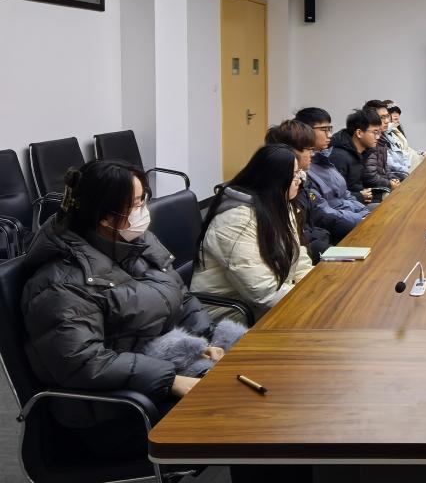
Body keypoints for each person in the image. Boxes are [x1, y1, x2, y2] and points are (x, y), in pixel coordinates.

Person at [20, 160, 242, 449]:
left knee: (257, 376)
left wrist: (206, 339)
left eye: (143, 199)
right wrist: (171, 380)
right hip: (116, 410)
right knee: (244, 411)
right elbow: (84, 362)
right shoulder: (59, 283)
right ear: (105, 217)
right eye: (136, 204)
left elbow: (180, 296)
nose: (144, 210)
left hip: (157, 370)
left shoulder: (136, 243)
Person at [191, 143, 313, 323]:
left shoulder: (279, 203)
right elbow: (262, 291)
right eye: (295, 174)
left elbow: (298, 255)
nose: (300, 179)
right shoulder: (235, 221)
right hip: (233, 313)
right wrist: (308, 300)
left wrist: (313, 288)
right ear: (275, 180)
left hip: (272, 299)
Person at [294, 107, 370, 244]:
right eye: (324, 130)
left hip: (350, 216)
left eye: (330, 129)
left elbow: (345, 194)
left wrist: (363, 213)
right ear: (306, 131)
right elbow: (323, 213)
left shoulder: (324, 158)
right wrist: (360, 219)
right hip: (334, 228)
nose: (330, 135)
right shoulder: (304, 169)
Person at [266, 118, 333, 263]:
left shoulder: (300, 179)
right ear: (289, 152)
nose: (313, 154)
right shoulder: (277, 191)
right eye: (309, 150)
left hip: (309, 245)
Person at [330, 108, 382, 204]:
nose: (378, 137)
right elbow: (334, 195)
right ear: (359, 133)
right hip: (347, 207)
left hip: (358, 201)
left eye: (379, 132)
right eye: (375, 132)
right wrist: (359, 196)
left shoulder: (364, 152)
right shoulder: (339, 157)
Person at [363, 99, 406, 185]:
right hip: (378, 189)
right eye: (382, 117)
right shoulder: (369, 141)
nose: (387, 121)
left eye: (387, 116)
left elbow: (385, 169)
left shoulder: (382, 139)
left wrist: (393, 179)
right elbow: (370, 177)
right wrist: (389, 184)